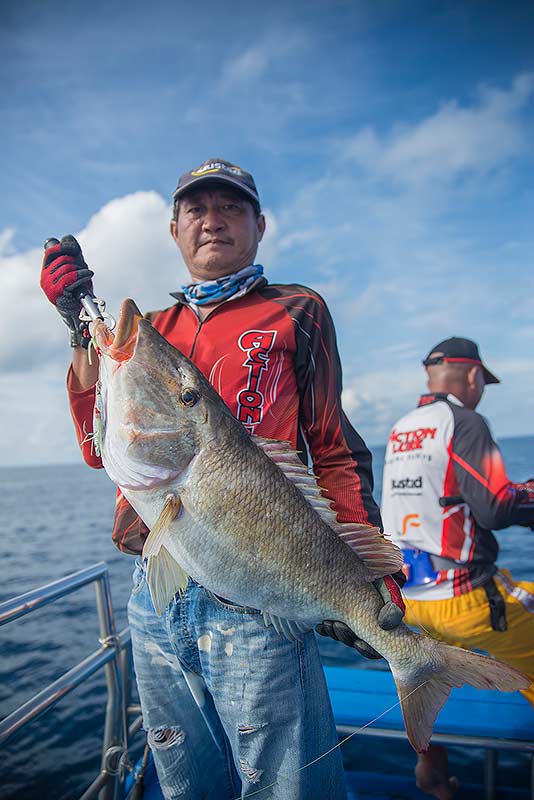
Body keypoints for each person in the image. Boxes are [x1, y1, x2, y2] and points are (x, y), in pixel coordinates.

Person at [40, 158, 404, 800]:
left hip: (261, 590)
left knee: (283, 787)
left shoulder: (298, 310)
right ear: (175, 230)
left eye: (232, 208)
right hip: (155, 590)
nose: (214, 221)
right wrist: (78, 328)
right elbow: (101, 450)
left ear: (259, 225)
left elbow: (331, 445)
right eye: (197, 210)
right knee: (185, 782)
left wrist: (367, 572)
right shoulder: (152, 330)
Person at [381, 336, 534, 800]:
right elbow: (495, 507)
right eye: (482, 382)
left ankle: (430, 767)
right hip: (466, 599)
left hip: (413, 603)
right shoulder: (466, 422)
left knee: (427, 684)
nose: (482, 389)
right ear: (472, 376)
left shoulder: (401, 429)